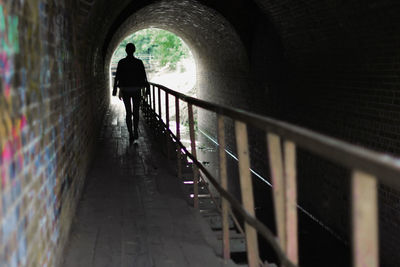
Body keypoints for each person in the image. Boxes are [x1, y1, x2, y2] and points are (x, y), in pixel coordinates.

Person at [113, 43, 149, 142]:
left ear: (126, 50)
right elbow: (143, 77)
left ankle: (130, 133)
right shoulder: (139, 62)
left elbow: (118, 77)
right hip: (136, 90)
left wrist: (116, 90)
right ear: (134, 50)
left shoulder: (121, 62)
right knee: (136, 111)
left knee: (128, 112)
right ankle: (136, 130)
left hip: (125, 90)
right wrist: (144, 90)